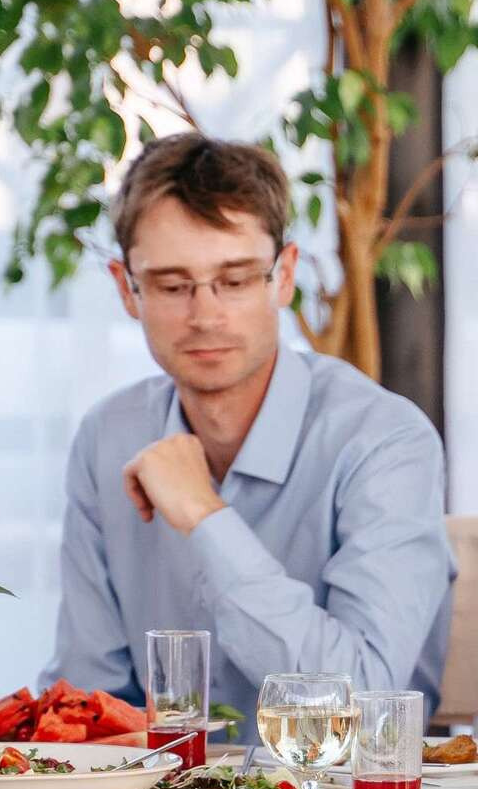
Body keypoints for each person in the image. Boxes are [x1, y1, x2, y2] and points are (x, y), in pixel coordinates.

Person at [42, 133, 454, 728]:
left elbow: (361, 704)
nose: (205, 315)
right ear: (126, 288)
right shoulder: (108, 436)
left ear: (283, 277)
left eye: (234, 281)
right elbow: (90, 698)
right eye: (172, 285)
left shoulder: (384, 439)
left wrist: (206, 518)